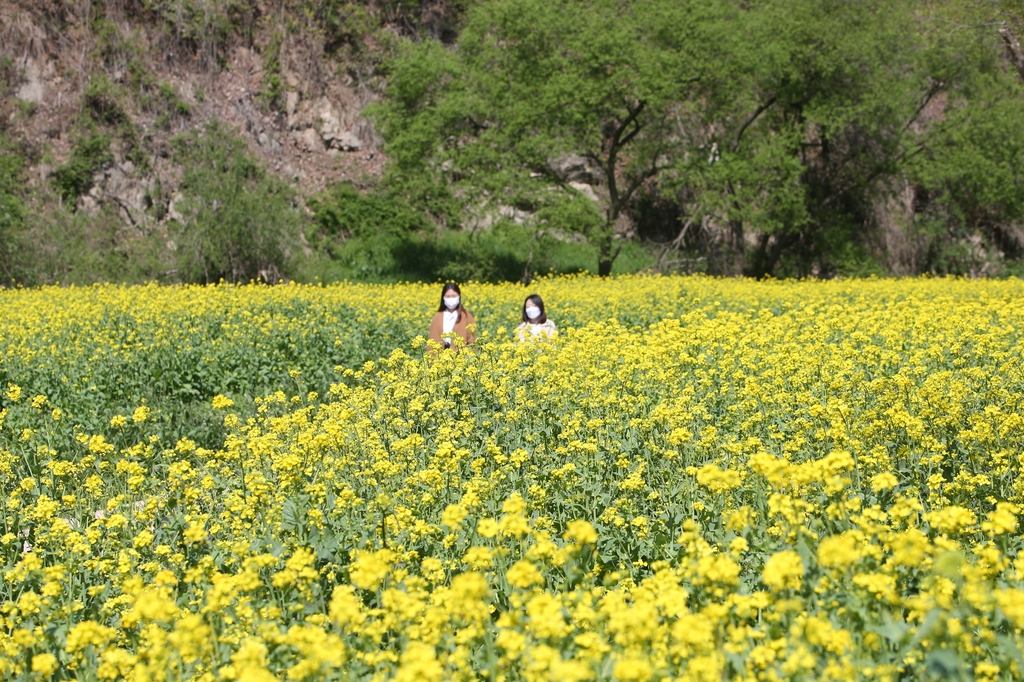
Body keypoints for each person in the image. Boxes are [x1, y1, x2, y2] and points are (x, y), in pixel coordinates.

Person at [428, 283, 477, 351]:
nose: (451, 299)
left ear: (459, 296)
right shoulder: (437, 316)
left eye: (454, 296)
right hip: (440, 359)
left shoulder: (466, 316)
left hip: (461, 359)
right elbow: (431, 342)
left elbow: (472, 341)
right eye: (448, 296)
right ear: (443, 298)